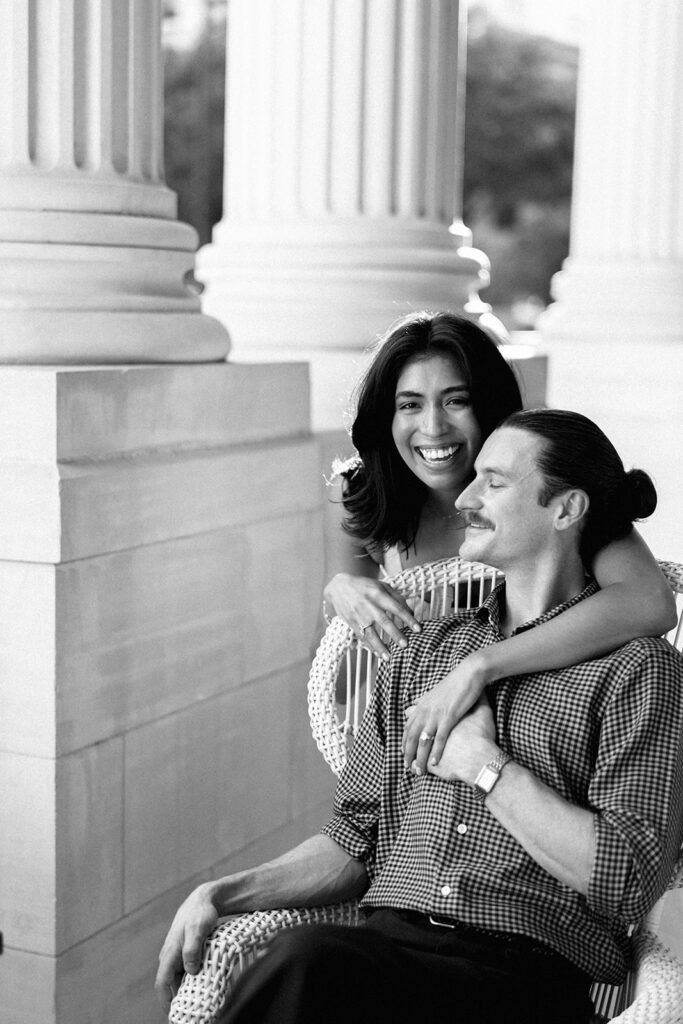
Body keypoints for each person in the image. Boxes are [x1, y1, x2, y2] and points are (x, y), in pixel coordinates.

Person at [156, 409, 683, 1024]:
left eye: (495, 481)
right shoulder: (424, 652)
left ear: (566, 509)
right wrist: (219, 892)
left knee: (308, 964)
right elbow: (352, 841)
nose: (464, 497)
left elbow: (625, 881)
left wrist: (486, 767)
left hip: (520, 979)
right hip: (382, 951)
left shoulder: (638, 671)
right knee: (307, 962)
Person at [322, 312, 675, 771]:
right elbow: (344, 684)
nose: (432, 427)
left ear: (488, 404)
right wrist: (340, 593)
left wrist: (478, 667)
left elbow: (651, 603)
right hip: (439, 745)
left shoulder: (548, 488)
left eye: (456, 401)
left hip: (555, 732)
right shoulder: (358, 496)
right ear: (385, 417)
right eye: (409, 405)